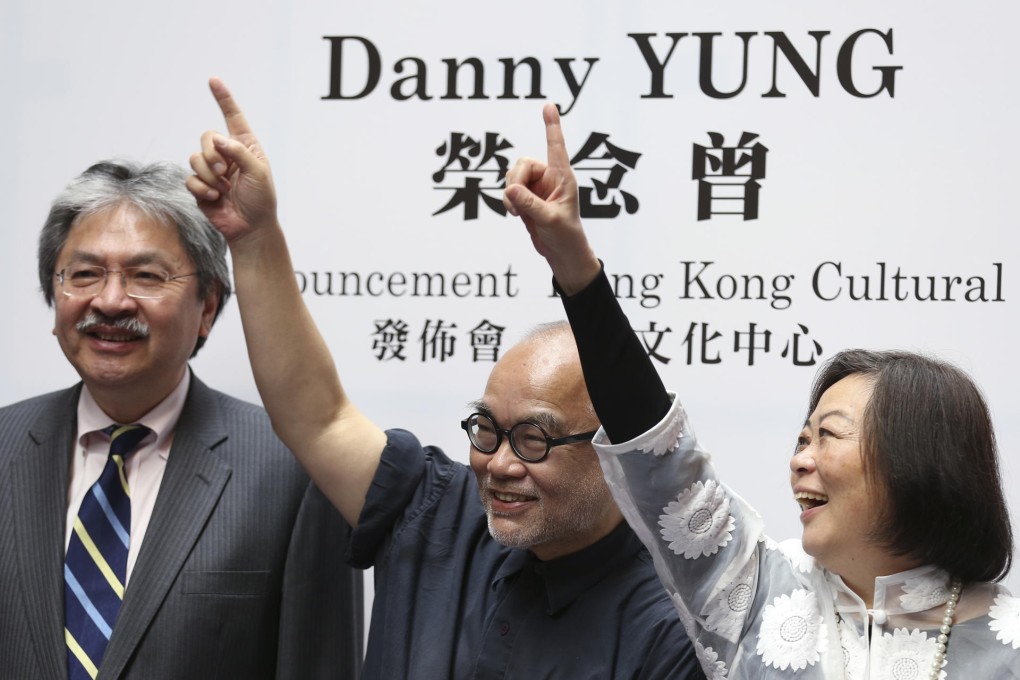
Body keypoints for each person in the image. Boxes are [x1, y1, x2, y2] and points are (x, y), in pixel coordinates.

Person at [186, 77, 706, 680]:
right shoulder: (440, 513)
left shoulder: (671, 629)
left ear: (612, 451)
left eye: (534, 439)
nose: (501, 465)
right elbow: (318, 417)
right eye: (486, 429)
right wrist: (251, 240)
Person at [500, 104, 1020, 678]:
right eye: (801, 439)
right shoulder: (751, 592)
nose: (800, 461)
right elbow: (657, 451)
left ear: (917, 462)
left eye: (829, 437)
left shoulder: (1008, 639)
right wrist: (576, 268)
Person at [0, 159, 362, 679]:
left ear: (208, 306)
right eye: (83, 274)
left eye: (146, 276)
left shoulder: (293, 471)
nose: (109, 300)